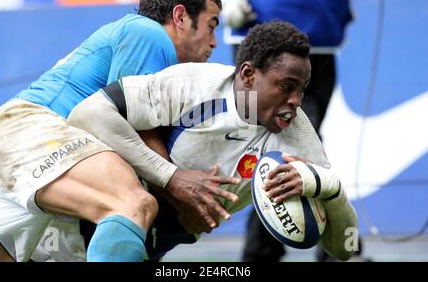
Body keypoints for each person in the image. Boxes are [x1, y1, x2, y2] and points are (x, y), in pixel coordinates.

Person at [0, 0, 244, 262]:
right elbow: (136, 131)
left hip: (0, 145)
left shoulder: (131, 36)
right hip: (31, 131)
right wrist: (181, 193)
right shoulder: (150, 33)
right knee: (131, 204)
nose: (214, 43)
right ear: (180, 17)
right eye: (211, 26)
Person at [62, 20, 358, 261]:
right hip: (89, 214)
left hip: (162, 239)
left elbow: (344, 248)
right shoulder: (193, 85)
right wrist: (172, 180)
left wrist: (328, 187)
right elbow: (88, 114)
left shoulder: (298, 135)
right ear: (249, 75)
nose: (296, 100)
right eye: (286, 86)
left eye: (302, 89)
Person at [179, 0, 411, 261]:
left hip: (320, 47)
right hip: (261, 51)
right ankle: (329, 251)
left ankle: (263, 250)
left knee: (281, 145)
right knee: (291, 142)